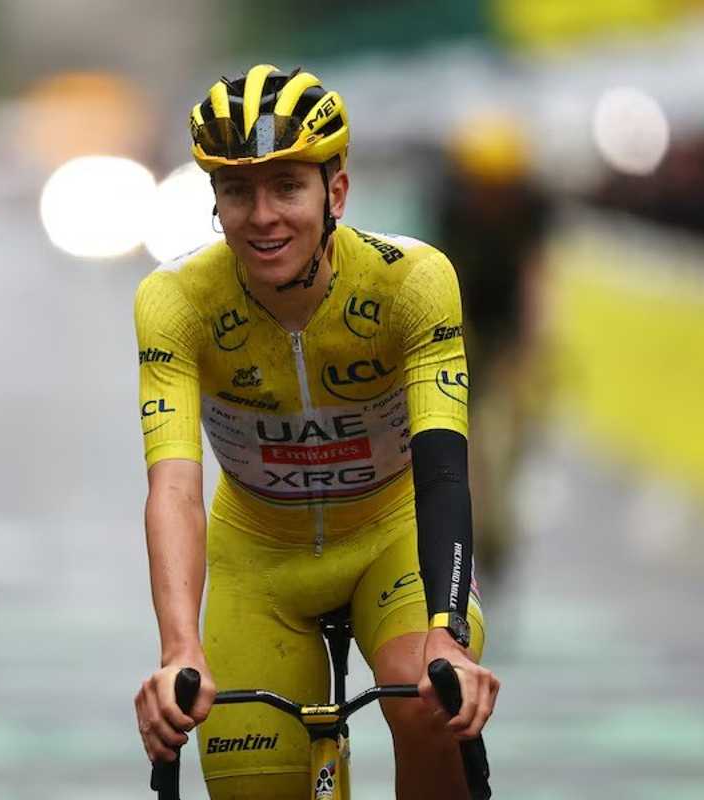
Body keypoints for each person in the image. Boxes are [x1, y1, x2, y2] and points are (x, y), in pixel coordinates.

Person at [133, 64, 500, 799]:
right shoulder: (174, 302)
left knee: (425, 697)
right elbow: (174, 486)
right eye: (238, 191)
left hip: (391, 540)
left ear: (336, 192)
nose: (262, 215)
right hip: (260, 562)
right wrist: (180, 649)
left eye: (287, 187)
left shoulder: (411, 282)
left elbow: (443, 471)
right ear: (214, 201)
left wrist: (447, 633)